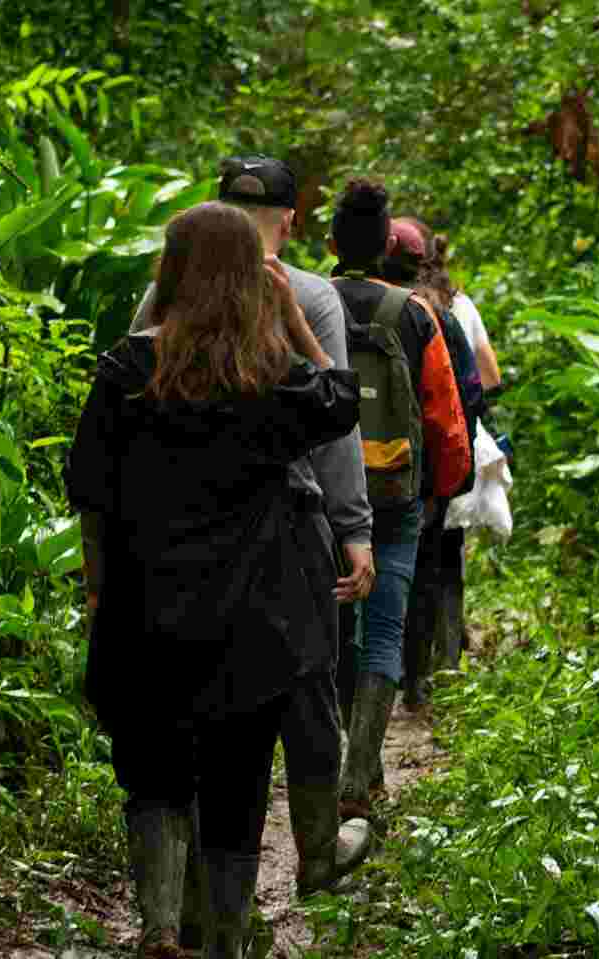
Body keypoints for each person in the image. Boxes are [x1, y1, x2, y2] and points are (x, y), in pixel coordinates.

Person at [66, 201, 361, 959]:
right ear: (248, 283)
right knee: (235, 785)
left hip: (145, 610)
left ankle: (162, 928)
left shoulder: (126, 370)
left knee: (155, 777)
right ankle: (226, 940)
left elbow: (90, 496)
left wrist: (100, 594)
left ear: (171, 270)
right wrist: (295, 317)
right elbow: (340, 400)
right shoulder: (267, 377)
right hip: (249, 625)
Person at [131, 156, 375, 915]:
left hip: (170, 545)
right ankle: (314, 852)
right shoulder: (306, 294)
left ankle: (186, 907)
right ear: (291, 220)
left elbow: (125, 388)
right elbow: (337, 417)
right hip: (283, 543)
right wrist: (355, 528)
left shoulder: (164, 296)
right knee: (302, 694)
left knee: (187, 728)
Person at [329, 181, 471, 819]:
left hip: (323, 500)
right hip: (394, 495)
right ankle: (360, 777)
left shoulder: (305, 302)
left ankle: (347, 766)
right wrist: (441, 490)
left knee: (336, 635)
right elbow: (446, 417)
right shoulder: (415, 314)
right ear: (387, 243)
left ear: (330, 242)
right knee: (385, 627)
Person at [388, 218, 487, 706]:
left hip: (346, 472)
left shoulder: (332, 302)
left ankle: (356, 688)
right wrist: (452, 478)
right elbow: (462, 400)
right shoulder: (434, 314)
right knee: (424, 572)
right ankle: (415, 678)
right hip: (418, 475)